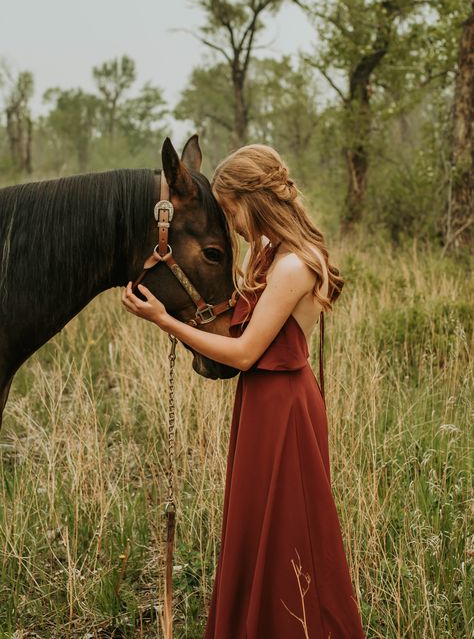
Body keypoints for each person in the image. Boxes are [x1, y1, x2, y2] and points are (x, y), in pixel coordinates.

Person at [121, 144, 366, 638]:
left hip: (285, 406)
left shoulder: (296, 265)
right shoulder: (269, 253)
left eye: (231, 211)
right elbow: (229, 322)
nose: (231, 223)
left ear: (253, 201)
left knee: (290, 531)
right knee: (256, 528)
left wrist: (164, 321)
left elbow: (245, 353)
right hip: (260, 404)